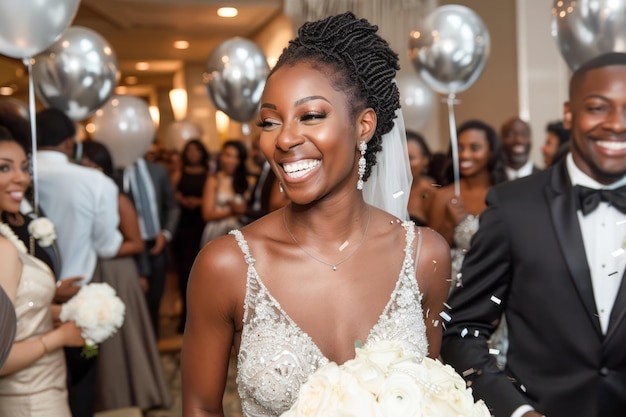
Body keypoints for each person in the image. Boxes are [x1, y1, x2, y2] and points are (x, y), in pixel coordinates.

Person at [181, 12, 451, 417]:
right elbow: (200, 408)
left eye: (310, 116)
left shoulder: (424, 257)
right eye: (270, 121)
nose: (285, 138)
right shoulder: (227, 266)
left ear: (364, 125)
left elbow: (436, 396)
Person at [440, 52, 626, 417]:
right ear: (569, 113)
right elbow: (462, 330)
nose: (617, 124)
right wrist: (516, 410)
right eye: (599, 108)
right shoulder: (513, 208)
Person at [36, 108, 123, 417]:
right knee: (80, 387)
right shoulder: (96, 182)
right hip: (77, 297)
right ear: (70, 143)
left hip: (23, 301)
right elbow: (107, 245)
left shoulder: (17, 174)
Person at [80, 140, 172, 412]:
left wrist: (103, 249)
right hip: (93, 269)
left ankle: (135, 394)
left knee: (126, 335)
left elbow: (136, 242)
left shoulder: (118, 197)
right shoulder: (85, 196)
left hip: (118, 270)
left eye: (88, 165)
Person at [0, 126, 85, 417]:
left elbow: (12, 316)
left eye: (24, 167)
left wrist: (60, 312)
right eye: (4, 168)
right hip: (30, 398)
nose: (21, 178)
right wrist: (60, 338)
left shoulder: (7, 237)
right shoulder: (4, 250)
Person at [121, 152, 180, 339]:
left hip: (156, 244)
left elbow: (172, 207)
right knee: (134, 303)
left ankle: (152, 347)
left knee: (155, 300)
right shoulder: (117, 173)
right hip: (129, 246)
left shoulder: (158, 171)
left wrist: (166, 233)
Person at [171, 139, 210, 333]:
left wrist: (200, 201)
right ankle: (185, 318)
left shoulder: (209, 176)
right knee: (185, 273)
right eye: (190, 150)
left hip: (202, 227)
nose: (193, 154)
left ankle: (203, 317)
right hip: (184, 227)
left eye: (197, 150)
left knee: (204, 272)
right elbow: (169, 197)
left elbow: (213, 198)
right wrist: (180, 199)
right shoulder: (179, 174)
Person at [199, 139, 249, 246]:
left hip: (242, 230)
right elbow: (207, 214)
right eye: (228, 155)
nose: (232, 160)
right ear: (221, 157)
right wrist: (234, 210)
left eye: (236, 157)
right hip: (218, 230)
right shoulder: (213, 180)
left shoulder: (246, 180)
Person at [238, 134, 289, 225]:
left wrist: (245, 211)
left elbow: (273, 207)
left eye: (257, 149)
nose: (254, 153)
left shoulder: (276, 171)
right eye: (253, 149)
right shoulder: (262, 172)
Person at [406, 130, 437, 226]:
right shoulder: (382, 190)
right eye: (398, 158)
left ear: (425, 160)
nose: (404, 164)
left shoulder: (430, 193)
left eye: (410, 158)